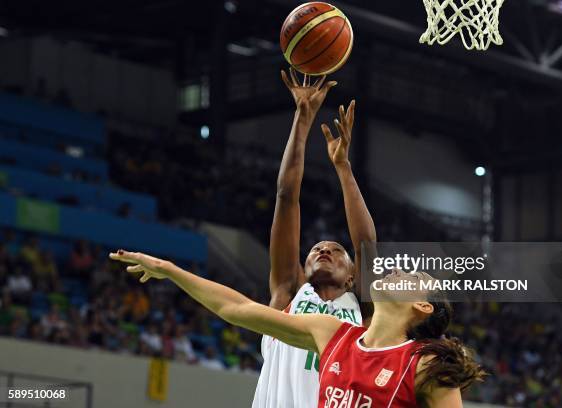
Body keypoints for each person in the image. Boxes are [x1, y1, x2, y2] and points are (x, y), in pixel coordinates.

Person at [110, 251, 485, 407]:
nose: (398, 272)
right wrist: (171, 270)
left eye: (412, 277)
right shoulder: (333, 334)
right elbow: (238, 308)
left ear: (422, 306)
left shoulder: (426, 364)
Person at [256, 68, 376, 407]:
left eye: (337, 250)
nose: (324, 249)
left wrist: (343, 167)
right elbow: (285, 196)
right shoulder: (287, 294)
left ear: (354, 275)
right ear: (302, 266)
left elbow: (366, 243)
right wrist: (302, 120)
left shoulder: (362, 311)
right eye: (316, 249)